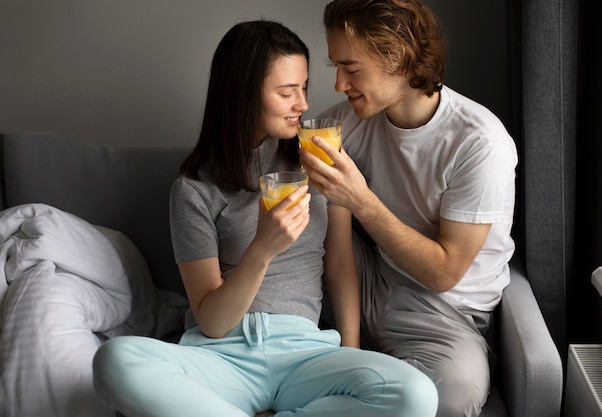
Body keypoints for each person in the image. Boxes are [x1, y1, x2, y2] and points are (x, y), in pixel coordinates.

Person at [92, 19, 438, 417]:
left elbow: (341, 263)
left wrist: (352, 355)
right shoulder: (193, 190)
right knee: (114, 360)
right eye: (287, 92)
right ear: (241, 95)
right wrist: (262, 248)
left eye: (304, 88)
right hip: (222, 357)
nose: (303, 105)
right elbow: (212, 322)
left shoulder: (321, 164)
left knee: (416, 394)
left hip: (306, 354)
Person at [298, 1, 518, 416]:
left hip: (444, 314)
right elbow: (286, 149)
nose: (339, 83)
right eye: (336, 67)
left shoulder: (479, 143)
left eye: (351, 67)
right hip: (366, 281)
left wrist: (359, 198)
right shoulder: (349, 121)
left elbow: (444, 272)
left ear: (396, 58)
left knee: (452, 397)